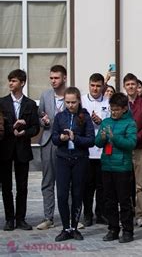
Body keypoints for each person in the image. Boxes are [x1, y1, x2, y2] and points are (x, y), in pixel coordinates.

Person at [52, 87, 95, 241]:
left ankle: (75, 227)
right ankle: (65, 228)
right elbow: (54, 138)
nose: (70, 105)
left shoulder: (85, 117)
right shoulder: (59, 117)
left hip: (80, 160)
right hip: (63, 159)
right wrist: (61, 139)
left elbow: (91, 140)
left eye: (73, 102)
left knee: (78, 194)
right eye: (67, 102)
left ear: (78, 101)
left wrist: (74, 137)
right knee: (62, 194)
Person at [0, 69, 40, 231]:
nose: (11, 83)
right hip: (5, 149)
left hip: (22, 149)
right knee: (6, 186)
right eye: (9, 80)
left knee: (22, 186)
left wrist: (25, 131)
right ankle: (10, 219)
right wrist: (12, 128)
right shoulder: (2, 102)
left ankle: (21, 219)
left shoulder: (30, 104)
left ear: (22, 83)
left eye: (14, 81)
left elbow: (36, 127)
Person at [95, 92, 137, 243]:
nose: (114, 112)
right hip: (107, 166)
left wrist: (114, 137)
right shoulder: (105, 122)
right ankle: (113, 229)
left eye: (117, 109)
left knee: (124, 200)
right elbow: (97, 142)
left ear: (125, 109)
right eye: (112, 109)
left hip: (122, 167)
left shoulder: (130, 123)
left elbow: (131, 143)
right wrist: (103, 137)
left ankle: (128, 231)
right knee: (109, 200)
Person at [37, 65, 67, 230]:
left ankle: (70, 217)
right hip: (48, 141)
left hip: (66, 143)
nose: (53, 81)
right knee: (48, 181)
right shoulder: (45, 95)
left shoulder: (71, 94)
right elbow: (40, 115)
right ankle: (48, 217)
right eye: (51, 78)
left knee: (67, 181)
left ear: (64, 78)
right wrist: (44, 121)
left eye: (56, 78)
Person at [123, 73, 142, 229]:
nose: (131, 87)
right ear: (124, 87)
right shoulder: (121, 104)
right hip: (124, 150)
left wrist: (135, 138)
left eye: (133, 84)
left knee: (140, 184)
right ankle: (126, 214)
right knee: (124, 184)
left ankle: (140, 215)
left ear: (137, 86)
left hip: (140, 148)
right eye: (127, 84)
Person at [81, 73, 110, 226]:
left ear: (102, 86)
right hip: (87, 150)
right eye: (93, 85)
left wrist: (101, 121)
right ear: (89, 85)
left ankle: (101, 213)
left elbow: (111, 121)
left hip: (103, 151)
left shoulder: (108, 101)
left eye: (98, 86)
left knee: (102, 186)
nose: (95, 88)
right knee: (87, 185)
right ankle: (87, 214)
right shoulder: (83, 100)